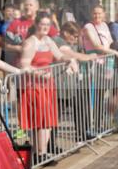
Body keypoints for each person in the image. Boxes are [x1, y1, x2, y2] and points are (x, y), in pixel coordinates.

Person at [18, 11, 77, 159]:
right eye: (42, 24)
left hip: (47, 86)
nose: (45, 27)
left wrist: (69, 60)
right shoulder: (30, 42)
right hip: (33, 87)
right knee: (40, 122)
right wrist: (39, 73)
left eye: (47, 24)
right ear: (36, 24)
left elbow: (59, 56)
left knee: (47, 121)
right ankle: (40, 153)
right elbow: (24, 66)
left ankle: (41, 153)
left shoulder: (48, 40)